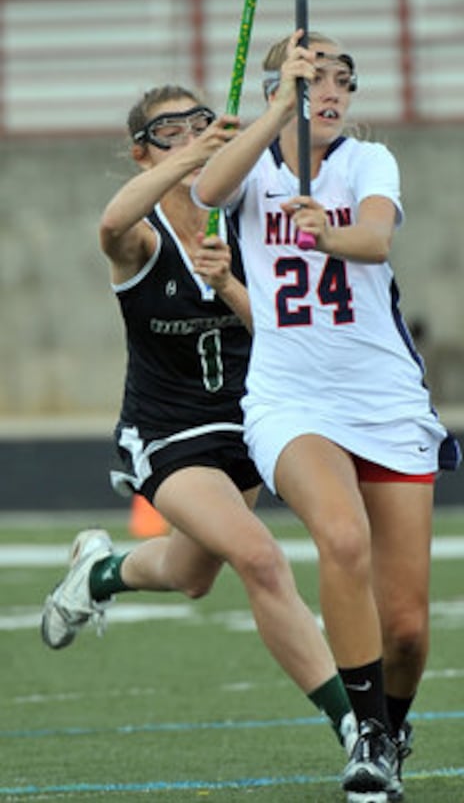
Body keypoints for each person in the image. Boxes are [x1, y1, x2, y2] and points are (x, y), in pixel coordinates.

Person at [40, 82, 357, 764]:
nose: (187, 136)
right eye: (167, 131)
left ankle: (96, 575)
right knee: (260, 559)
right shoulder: (143, 236)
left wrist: (232, 286)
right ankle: (358, 728)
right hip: (169, 433)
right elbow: (108, 228)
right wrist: (192, 161)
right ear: (140, 152)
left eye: (199, 124)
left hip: (249, 424)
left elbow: (281, 335)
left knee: (192, 573)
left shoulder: (252, 225)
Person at [194, 31, 461, 802]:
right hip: (290, 399)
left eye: (344, 80)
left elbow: (374, 239)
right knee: (342, 537)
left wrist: (327, 234)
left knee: (407, 629)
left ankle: (395, 722)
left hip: (383, 400)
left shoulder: (367, 162)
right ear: (285, 90)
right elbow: (208, 192)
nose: (334, 93)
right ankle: (366, 734)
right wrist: (279, 102)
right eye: (317, 81)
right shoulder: (253, 168)